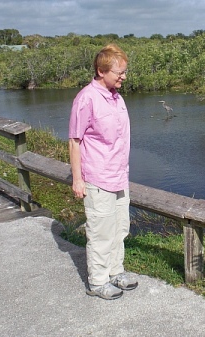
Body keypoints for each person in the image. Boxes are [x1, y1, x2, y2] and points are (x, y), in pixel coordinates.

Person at [68, 43, 137, 300]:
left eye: (124, 71)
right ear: (101, 71)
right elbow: (75, 140)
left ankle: (115, 272)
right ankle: (97, 282)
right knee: (100, 232)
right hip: (97, 177)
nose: (123, 76)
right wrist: (77, 179)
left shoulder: (116, 97)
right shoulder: (86, 98)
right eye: (119, 72)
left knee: (119, 227)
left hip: (119, 175)